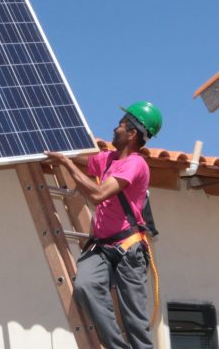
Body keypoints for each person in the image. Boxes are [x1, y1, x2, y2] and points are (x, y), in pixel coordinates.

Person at [44, 102, 163, 349]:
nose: (115, 128)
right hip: (102, 247)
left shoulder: (135, 164)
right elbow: (84, 159)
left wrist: (66, 164)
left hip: (128, 251)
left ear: (132, 133)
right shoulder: (108, 159)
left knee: (135, 322)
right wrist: (54, 148)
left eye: (121, 125)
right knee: (85, 286)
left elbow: (98, 194)